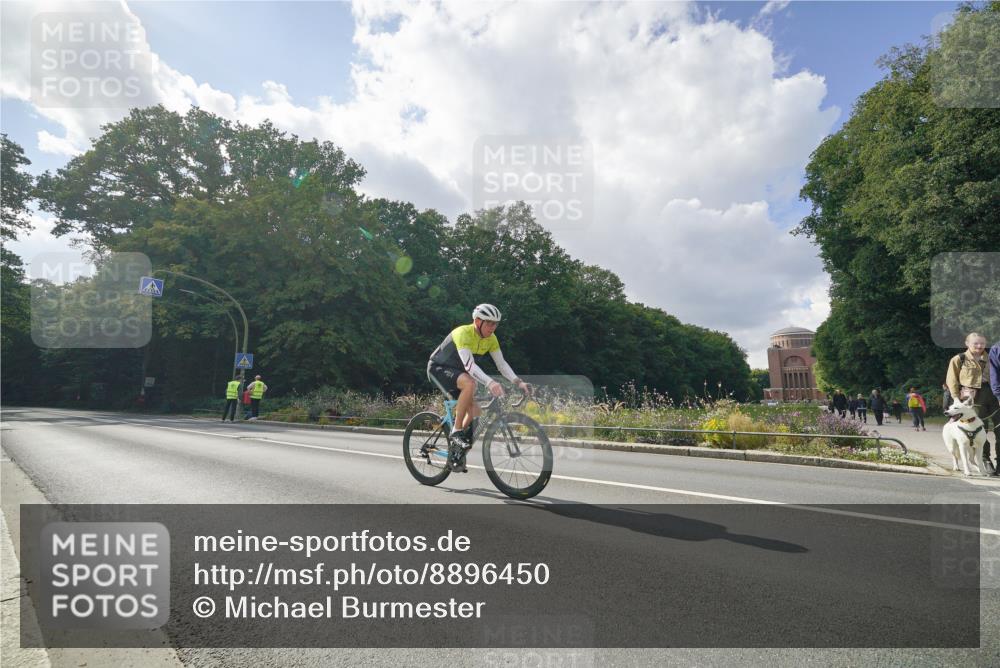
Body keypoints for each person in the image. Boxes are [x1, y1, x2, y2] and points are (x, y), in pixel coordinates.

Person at [427, 304, 530, 471]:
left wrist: (518, 382)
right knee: (470, 383)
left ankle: (456, 453)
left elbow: (502, 365)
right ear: (477, 321)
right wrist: (490, 383)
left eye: (495, 324)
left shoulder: (491, 338)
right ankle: (456, 432)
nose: (493, 327)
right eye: (489, 323)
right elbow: (469, 365)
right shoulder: (463, 333)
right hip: (438, 369)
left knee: (476, 412)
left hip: (457, 373)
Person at [947, 332, 999, 474]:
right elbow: (951, 380)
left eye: (982, 343)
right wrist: (956, 398)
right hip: (973, 398)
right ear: (967, 343)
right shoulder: (959, 359)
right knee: (979, 430)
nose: (979, 346)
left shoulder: (992, 356)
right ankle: (985, 460)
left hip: (994, 394)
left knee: (999, 428)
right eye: (975, 343)